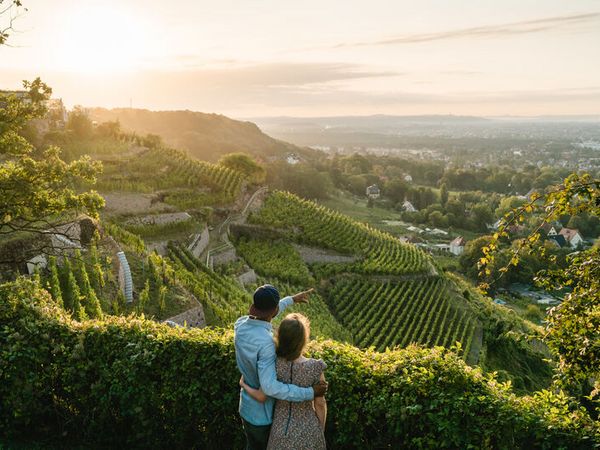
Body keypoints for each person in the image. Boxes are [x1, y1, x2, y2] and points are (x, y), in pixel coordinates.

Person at [234, 284, 327, 450]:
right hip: (262, 415)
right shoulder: (267, 345)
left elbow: (265, 316)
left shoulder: (240, 325)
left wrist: (291, 300)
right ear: (275, 311)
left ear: (252, 307)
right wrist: (310, 392)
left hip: (246, 407)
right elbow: (269, 387)